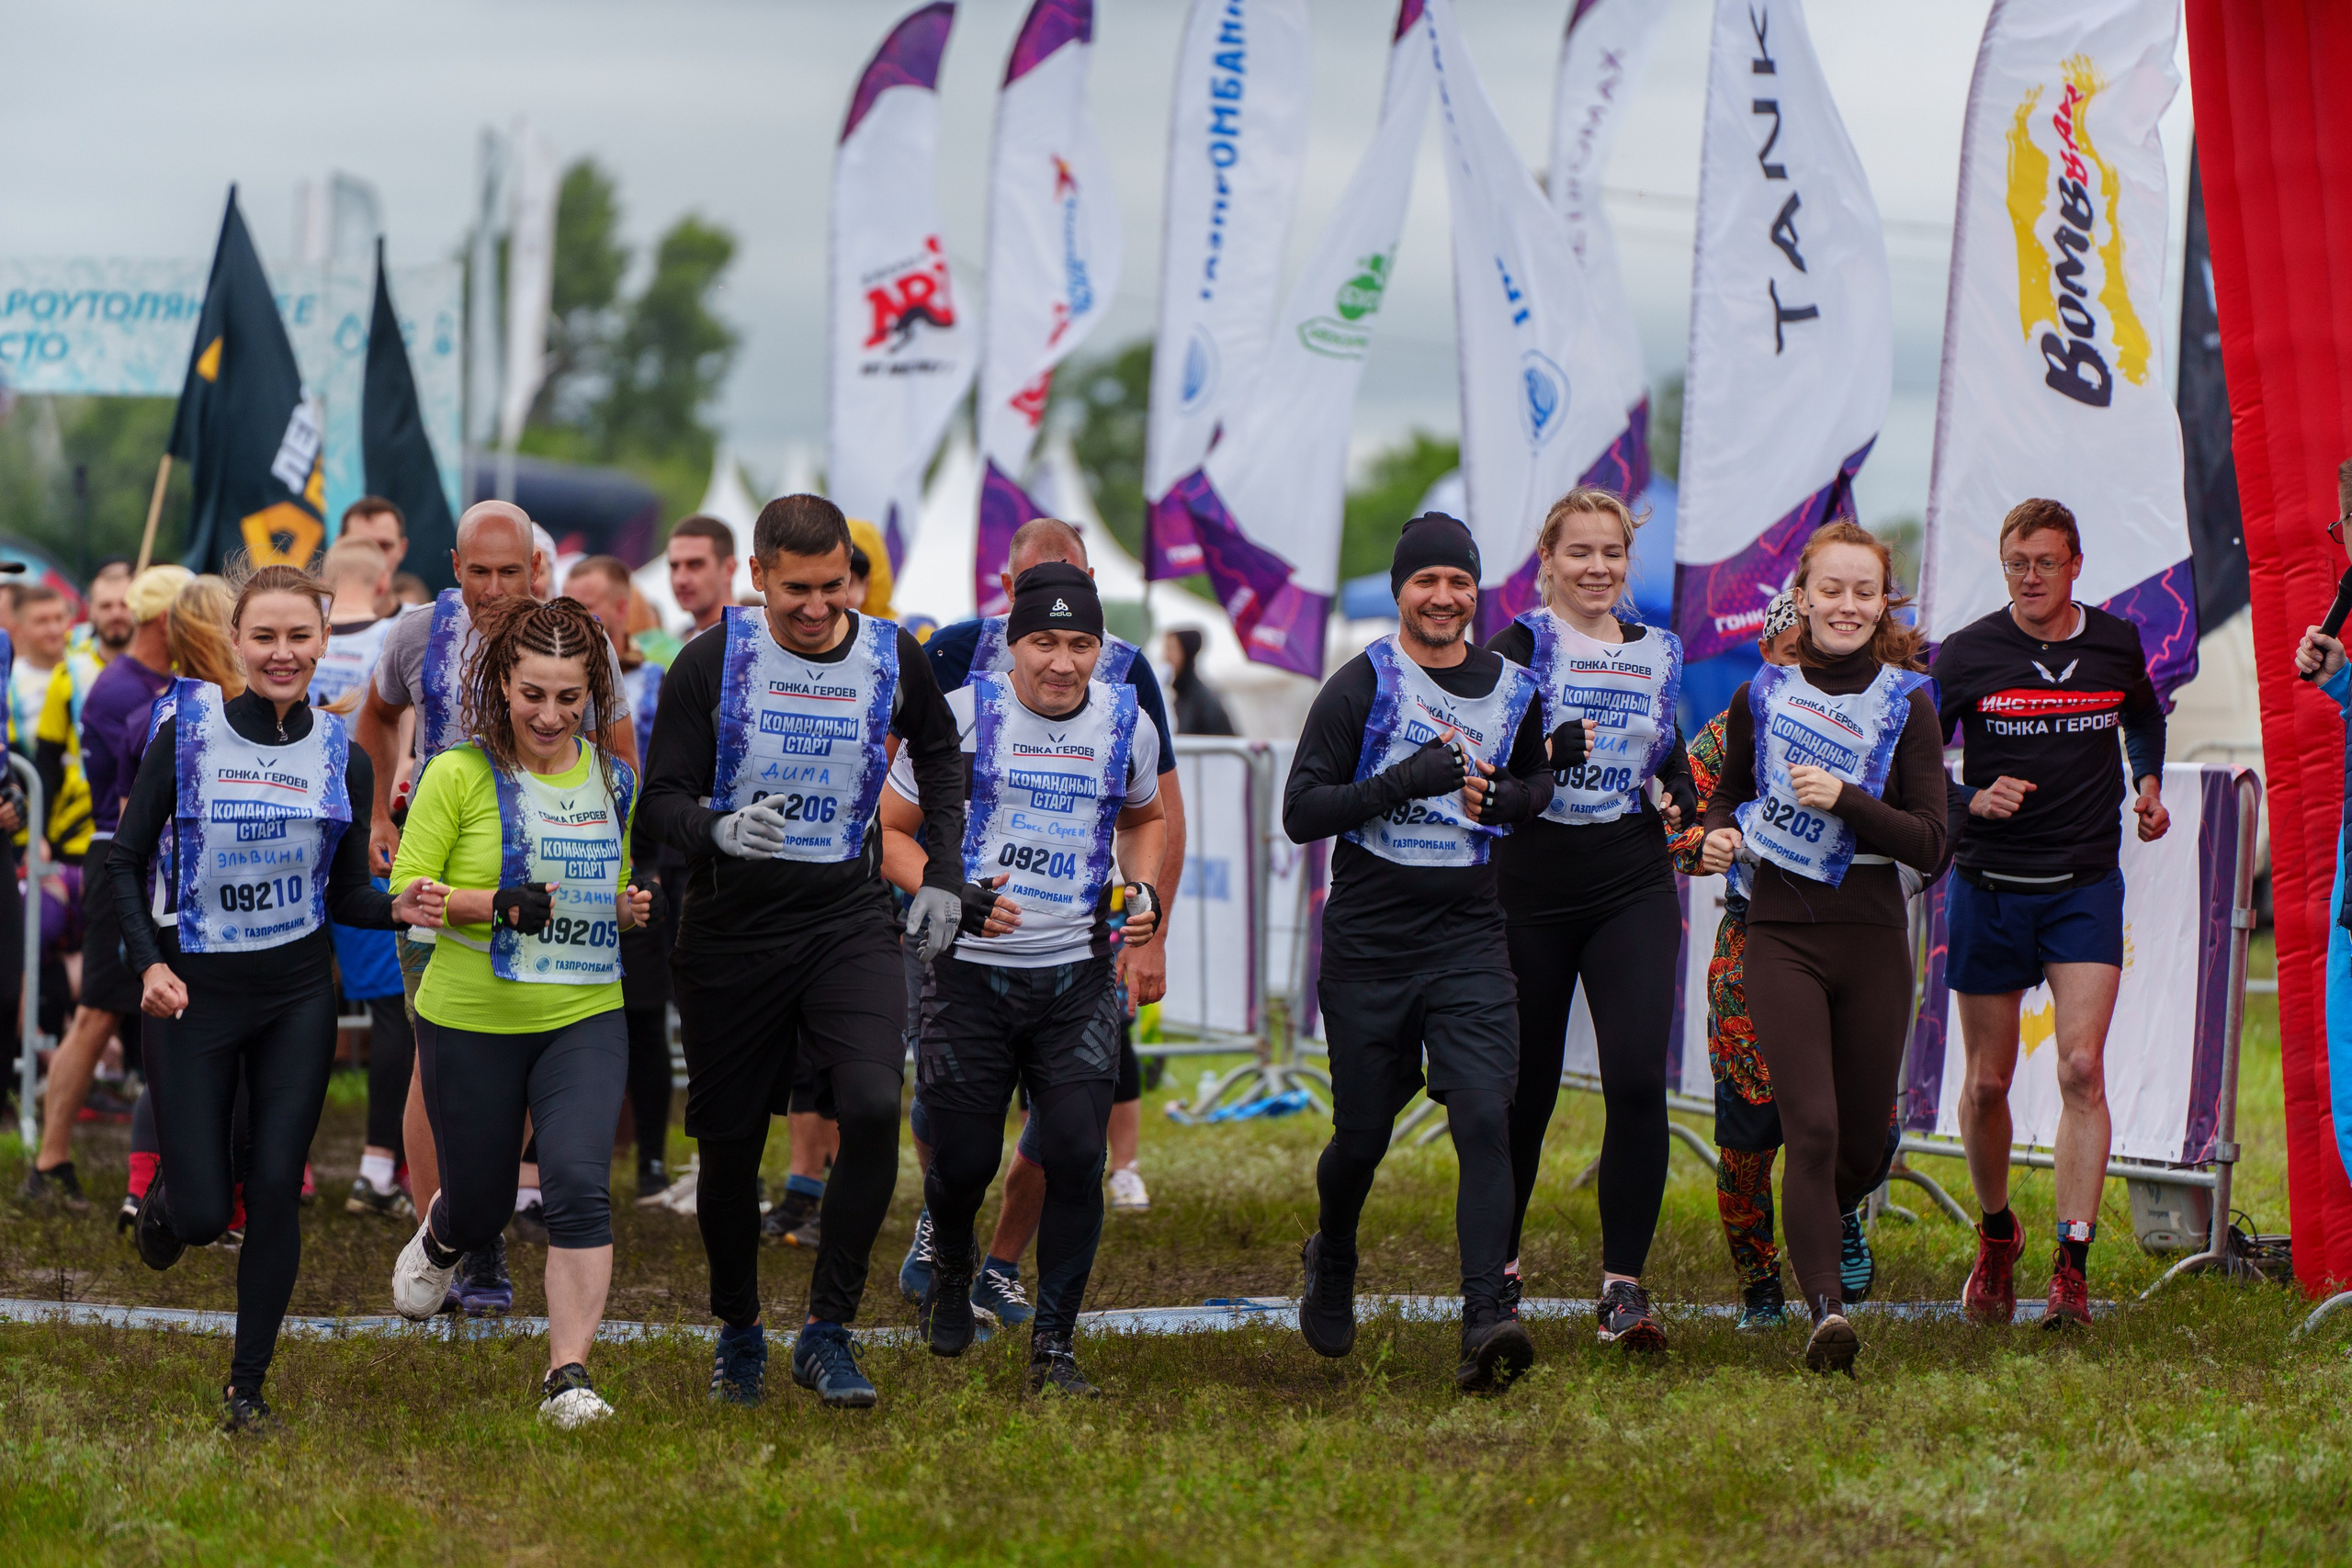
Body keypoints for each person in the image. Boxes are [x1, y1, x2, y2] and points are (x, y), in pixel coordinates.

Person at [641, 493, 965, 1411]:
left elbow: (940, 754)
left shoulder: (889, 652)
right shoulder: (712, 662)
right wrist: (717, 829)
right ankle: (739, 1331)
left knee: (869, 1103)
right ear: (757, 578)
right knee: (732, 1146)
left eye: (832, 588)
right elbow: (658, 802)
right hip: (729, 931)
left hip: (845, 917)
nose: (817, 609)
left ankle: (829, 1332)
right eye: (797, 592)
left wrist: (940, 869)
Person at [117, 565, 443, 1432]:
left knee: (272, 1186)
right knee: (197, 1212)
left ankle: (247, 1386)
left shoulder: (343, 752)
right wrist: (148, 963)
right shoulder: (186, 733)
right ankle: (165, 1206)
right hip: (196, 991)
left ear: (324, 642)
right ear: (236, 642)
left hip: (296, 992)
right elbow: (119, 860)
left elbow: (342, 897)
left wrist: (398, 905)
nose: (282, 653)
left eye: (300, 636)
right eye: (265, 636)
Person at [1283, 513, 1554, 1392]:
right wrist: (1405, 779)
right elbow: (1301, 812)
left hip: (1469, 936)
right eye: (1426, 582)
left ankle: (1487, 1317)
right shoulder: (1360, 684)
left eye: (1459, 582)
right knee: (1362, 1135)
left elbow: (1533, 784)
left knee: (1483, 1114)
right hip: (1370, 942)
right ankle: (1334, 1254)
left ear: (1478, 592)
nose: (1443, 597)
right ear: (1401, 591)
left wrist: (1510, 794)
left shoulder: (1513, 687)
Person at [881, 562, 1164, 1395]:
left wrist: (1142, 890)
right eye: (1045, 640)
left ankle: (1054, 1345)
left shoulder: (1127, 723)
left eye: (1081, 643)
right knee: (962, 1162)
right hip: (968, 976)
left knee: (1076, 1153)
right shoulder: (960, 719)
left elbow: (1145, 818)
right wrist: (949, 891)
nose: (1063, 661)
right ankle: (957, 1262)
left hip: (1074, 975)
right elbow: (891, 831)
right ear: (1012, 642)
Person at [356, 502, 633, 1308]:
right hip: (447, 871)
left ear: (536, 569)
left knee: (518, 1052)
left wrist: (613, 856)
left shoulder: (576, 640)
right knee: (432, 1059)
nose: (493, 587)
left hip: (553, 880)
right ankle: (448, 1242)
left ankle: (475, 1219)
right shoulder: (415, 635)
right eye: (478, 570)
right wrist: (379, 808)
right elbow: (375, 716)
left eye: (509, 571)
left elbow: (617, 751)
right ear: (454, 564)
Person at [385, 594, 653, 1427]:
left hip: (583, 1008)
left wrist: (624, 907)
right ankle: (442, 1235)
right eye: (534, 693)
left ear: (592, 695)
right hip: (471, 1016)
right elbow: (405, 897)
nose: (550, 713)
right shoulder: (456, 774)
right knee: (483, 1202)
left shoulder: (615, 779)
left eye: (569, 697)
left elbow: (604, 883)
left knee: (578, 1183)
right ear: (502, 682)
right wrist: (491, 903)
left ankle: (566, 1375)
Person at [1697, 520, 1949, 1374]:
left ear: (1885, 603)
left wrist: (1848, 798)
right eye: (1830, 589)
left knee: (1858, 1142)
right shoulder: (1759, 695)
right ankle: (1826, 1314)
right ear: (1801, 597)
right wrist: (1721, 836)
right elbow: (1724, 798)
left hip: (1874, 932)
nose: (1846, 605)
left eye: (1864, 591)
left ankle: (1827, 1215)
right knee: (1807, 1125)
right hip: (1780, 931)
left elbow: (1932, 843)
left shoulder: (1909, 701)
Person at [1933, 498, 2167, 1330]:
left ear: (2076, 565)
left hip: (2082, 884)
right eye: (2015, 563)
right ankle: (1998, 1235)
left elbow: (2141, 711)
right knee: (1988, 1081)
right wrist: (1970, 795)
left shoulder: (2115, 641)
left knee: (2079, 1068)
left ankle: (2071, 1265)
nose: (2030, 578)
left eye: (2045, 562)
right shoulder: (1967, 653)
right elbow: (1916, 762)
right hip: (1991, 883)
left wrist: (2146, 783)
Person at [1482, 489, 1696, 1353]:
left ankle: (1623, 1288)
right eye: (1580, 553)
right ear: (1548, 560)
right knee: (1524, 1092)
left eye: (1612, 552)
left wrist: (1683, 794)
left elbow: (1664, 745)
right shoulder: (1518, 646)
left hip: (1628, 876)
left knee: (1639, 1078)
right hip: (1530, 881)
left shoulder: (1659, 649)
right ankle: (1496, 1275)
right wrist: (1539, 755)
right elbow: (1483, 756)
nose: (1598, 568)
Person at [1669, 592, 1819, 1327]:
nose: (1809, 669)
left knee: (1857, 1120)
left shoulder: (1875, 717)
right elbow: (1672, 814)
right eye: (1795, 653)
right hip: (1752, 943)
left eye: (1822, 655)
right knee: (1749, 1130)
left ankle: (1840, 1223)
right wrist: (1706, 845)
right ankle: (1760, 1284)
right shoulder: (1740, 722)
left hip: (1848, 943)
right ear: (1767, 656)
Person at [20, 564, 190, 1209]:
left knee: (122, 1014)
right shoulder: (123, 689)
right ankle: (50, 1160)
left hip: (140, 859)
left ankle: (148, 1166)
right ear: (163, 619)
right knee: (94, 1014)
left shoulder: (155, 680)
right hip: (115, 858)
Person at [565, 555, 676, 1200]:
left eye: (593, 607)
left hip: (645, 857)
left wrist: (652, 867)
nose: (581, 620)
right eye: (569, 606)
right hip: (572, 857)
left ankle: (653, 1161)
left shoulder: (658, 678)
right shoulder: (549, 678)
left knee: (643, 1018)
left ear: (622, 607)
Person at [666, 515, 738, 640]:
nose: (680, 580)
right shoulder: (688, 642)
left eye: (695, 565)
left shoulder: (748, 642)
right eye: (674, 566)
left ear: (729, 569)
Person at [1163, 626, 1237, 738]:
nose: (1166, 656)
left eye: (1172, 648)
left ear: (1185, 651)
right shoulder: (1179, 695)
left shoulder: (1203, 699)